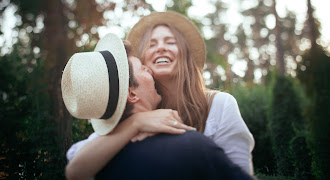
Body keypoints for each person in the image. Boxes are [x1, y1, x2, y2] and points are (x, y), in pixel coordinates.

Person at [63, 33, 256, 180]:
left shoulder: (101, 158)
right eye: (143, 68)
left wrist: (133, 124)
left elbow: (73, 170)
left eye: (170, 42)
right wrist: (136, 122)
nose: (150, 70)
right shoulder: (193, 147)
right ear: (131, 94)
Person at [125, 11, 255, 174]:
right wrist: (134, 123)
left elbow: (241, 172)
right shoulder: (135, 109)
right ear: (142, 61)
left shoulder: (220, 105)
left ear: (185, 55)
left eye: (170, 42)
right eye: (151, 44)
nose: (161, 48)